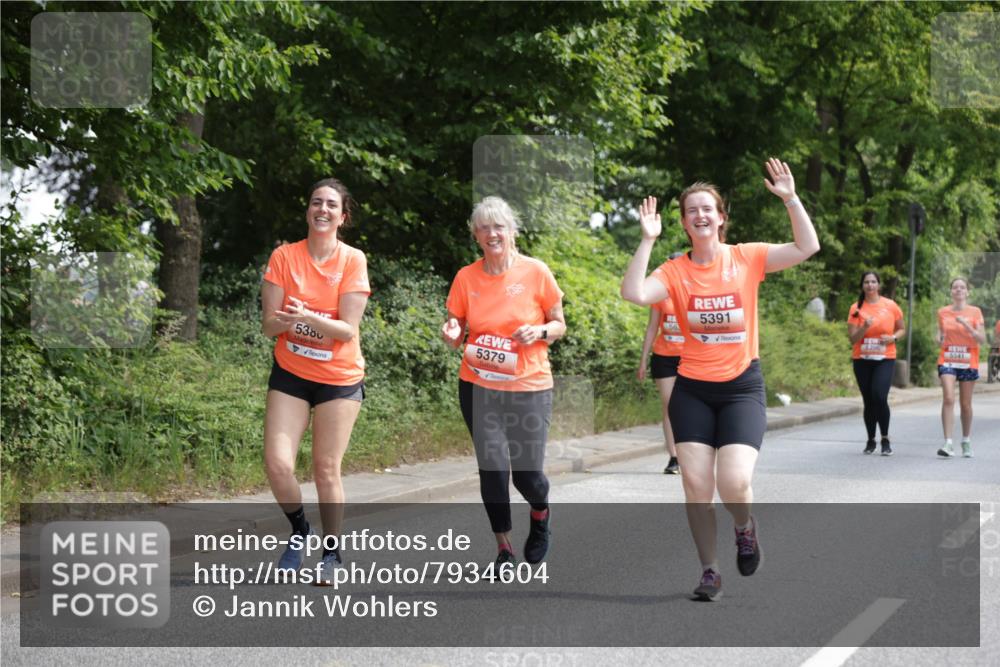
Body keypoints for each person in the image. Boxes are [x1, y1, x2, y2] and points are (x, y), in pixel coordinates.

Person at [621, 158, 820, 601]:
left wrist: (791, 198)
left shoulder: (745, 258)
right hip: (691, 389)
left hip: (741, 388)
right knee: (695, 485)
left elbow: (808, 246)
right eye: (692, 211)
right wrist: (647, 242)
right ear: (685, 223)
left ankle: (744, 527)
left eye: (707, 208)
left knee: (733, 483)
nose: (700, 215)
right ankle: (709, 571)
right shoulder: (674, 272)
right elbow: (634, 293)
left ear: (721, 217)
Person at [441, 196, 566, 570]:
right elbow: (456, 326)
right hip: (479, 385)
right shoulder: (467, 277)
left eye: (499, 226)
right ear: (475, 235)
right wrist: (451, 332)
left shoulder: (536, 271)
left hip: (529, 386)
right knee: (492, 467)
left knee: (528, 476)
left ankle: (540, 513)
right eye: (484, 227)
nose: (492, 233)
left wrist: (540, 330)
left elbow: (559, 323)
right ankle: (504, 549)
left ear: (512, 231)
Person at [260, 178, 370, 583]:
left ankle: (332, 554)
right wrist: (285, 320)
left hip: (339, 377)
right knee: (277, 464)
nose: (321, 209)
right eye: (315, 203)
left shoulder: (352, 260)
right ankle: (301, 532)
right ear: (308, 210)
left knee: (326, 467)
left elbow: (346, 330)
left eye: (330, 205)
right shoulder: (284, 257)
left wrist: (306, 317)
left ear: (343, 216)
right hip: (291, 372)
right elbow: (268, 326)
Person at [846, 271, 905, 456]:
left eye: (873, 282)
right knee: (869, 401)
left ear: (878, 285)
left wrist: (893, 337)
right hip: (862, 359)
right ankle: (871, 440)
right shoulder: (856, 308)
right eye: (866, 282)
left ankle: (885, 439)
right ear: (862, 286)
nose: (870, 285)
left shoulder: (890, 305)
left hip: (885, 358)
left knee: (879, 396)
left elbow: (902, 328)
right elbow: (852, 339)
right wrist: (864, 327)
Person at [637, 251, 685, 474]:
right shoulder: (660, 295)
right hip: (664, 356)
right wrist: (643, 359)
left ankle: (692, 452)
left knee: (689, 407)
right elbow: (652, 328)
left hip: (691, 357)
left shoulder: (693, 291)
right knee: (670, 405)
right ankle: (674, 457)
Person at [935, 277, 986, 458]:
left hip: (968, 360)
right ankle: (948, 443)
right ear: (951, 292)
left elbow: (982, 339)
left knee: (965, 404)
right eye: (955, 287)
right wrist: (939, 338)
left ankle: (965, 440)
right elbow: (939, 334)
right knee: (948, 398)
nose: (958, 290)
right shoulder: (943, 312)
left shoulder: (975, 312)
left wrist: (967, 326)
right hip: (948, 358)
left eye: (962, 287)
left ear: (967, 292)